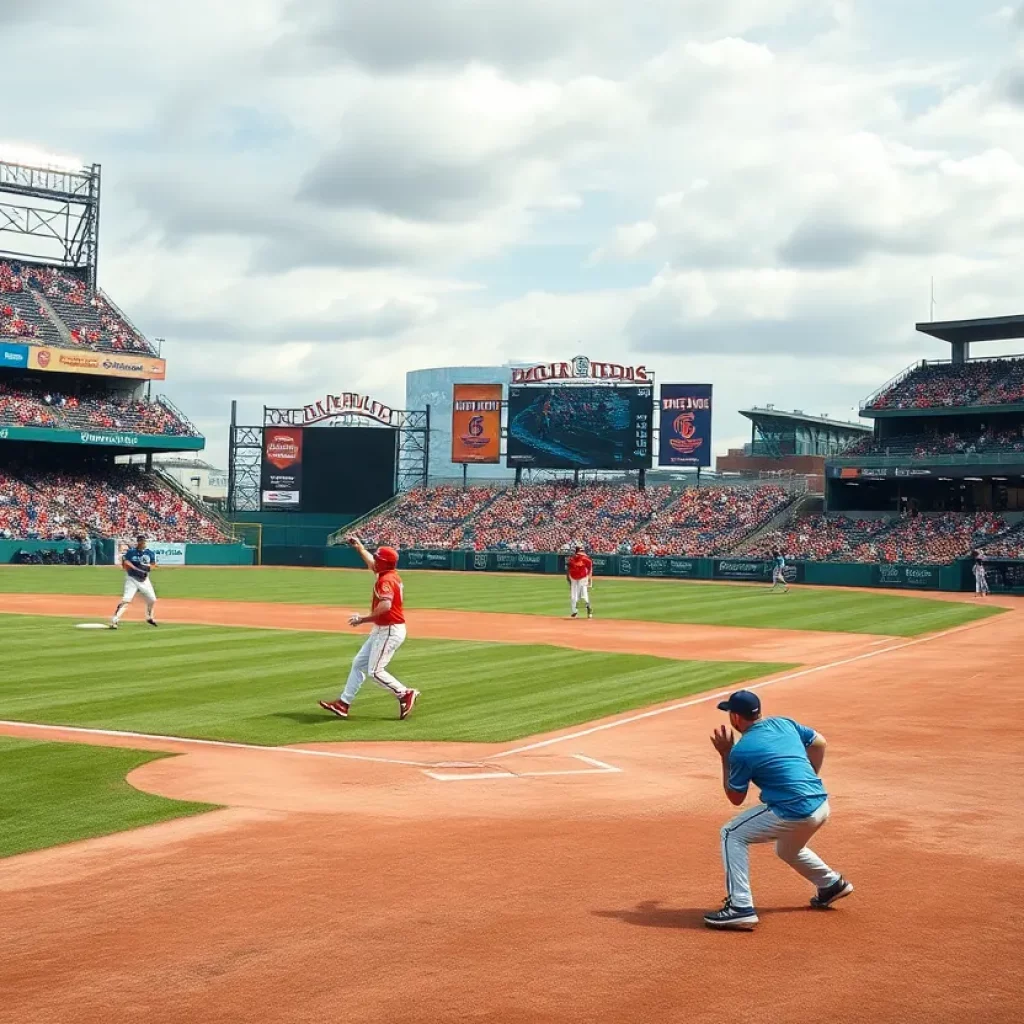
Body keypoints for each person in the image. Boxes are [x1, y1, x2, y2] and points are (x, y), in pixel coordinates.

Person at [704, 690, 852, 930]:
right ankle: (831, 883)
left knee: (731, 834)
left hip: (793, 811)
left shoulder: (742, 750)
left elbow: (735, 797)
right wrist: (810, 776)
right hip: (821, 805)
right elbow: (819, 741)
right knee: (788, 849)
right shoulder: (784, 723)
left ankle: (740, 907)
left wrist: (725, 756)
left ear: (736, 718)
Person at [319, 536, 420, 721]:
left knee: (375, 671)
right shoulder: (388, 573)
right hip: (384, 629)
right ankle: (343, 704)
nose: (375, 561)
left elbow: (386, 605)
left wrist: (363, 619)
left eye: (378, 559)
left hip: (390, 630)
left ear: (384, 563)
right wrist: (359, 548)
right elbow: (372, 564)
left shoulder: (386, 580)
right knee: (358, 664)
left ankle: (405, 693)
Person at [110, 535, 158, 629]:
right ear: (138, 542)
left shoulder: (150, 553)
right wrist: (136, 569)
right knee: (126, 599)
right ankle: (114, 620)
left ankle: (149, 617)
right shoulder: (131, 552)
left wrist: (147, 569)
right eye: (141, 541)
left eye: (144, 541)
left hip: (144, 580)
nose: (142, 543)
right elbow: (126, 562)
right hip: (131, 579)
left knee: (152, 599)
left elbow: (153, 564)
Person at [566, 544, 593, 619]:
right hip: (573, 577)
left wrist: (589, 579)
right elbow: (568, 569)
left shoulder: (586, 559)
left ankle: (589, 609)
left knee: (583, 594)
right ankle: (574, 611)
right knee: (573, 596)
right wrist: (568, 577)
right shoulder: (571, 559)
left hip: (583, 577)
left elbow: (590, 568)